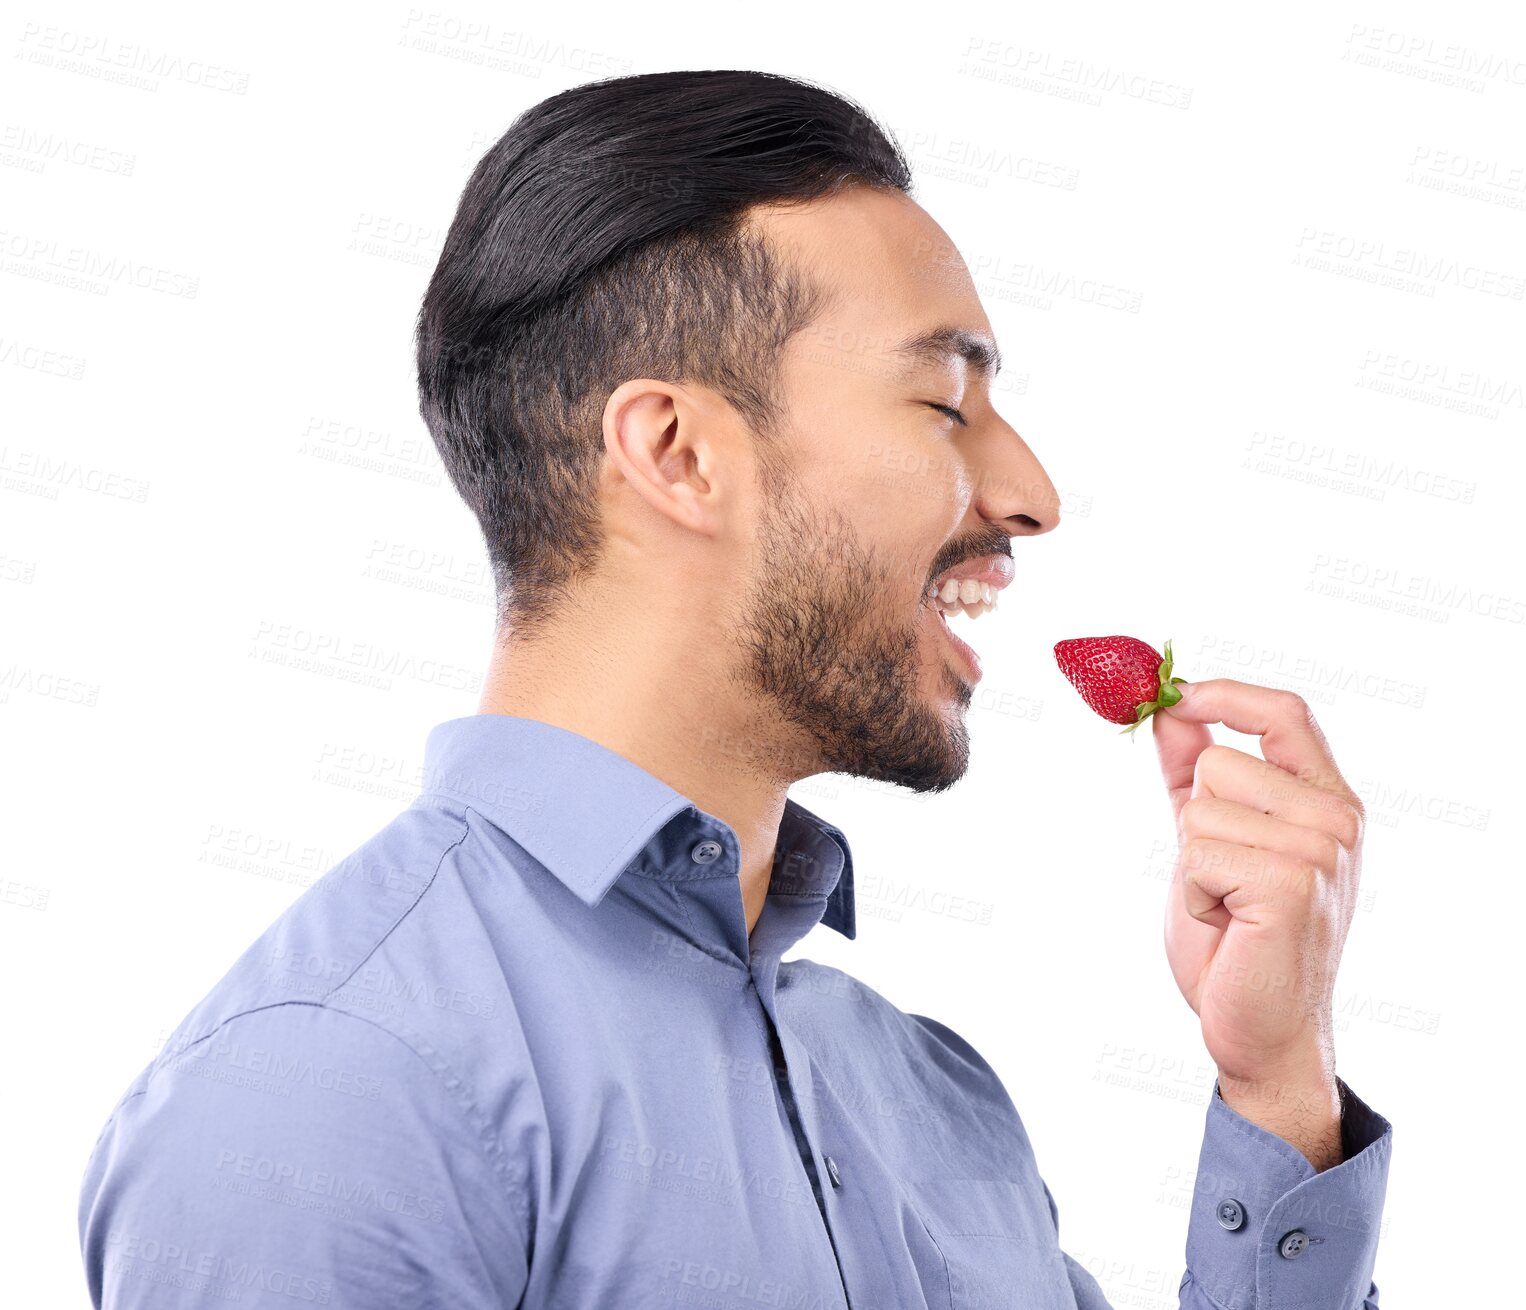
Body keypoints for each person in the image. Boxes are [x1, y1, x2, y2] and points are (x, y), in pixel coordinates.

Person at [78, 69, 1389, 1308]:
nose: (1028, 495)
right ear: (678, 453)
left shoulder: (927, 1097)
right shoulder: (330, 1088)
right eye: (943, 401)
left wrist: (1275, 1090)